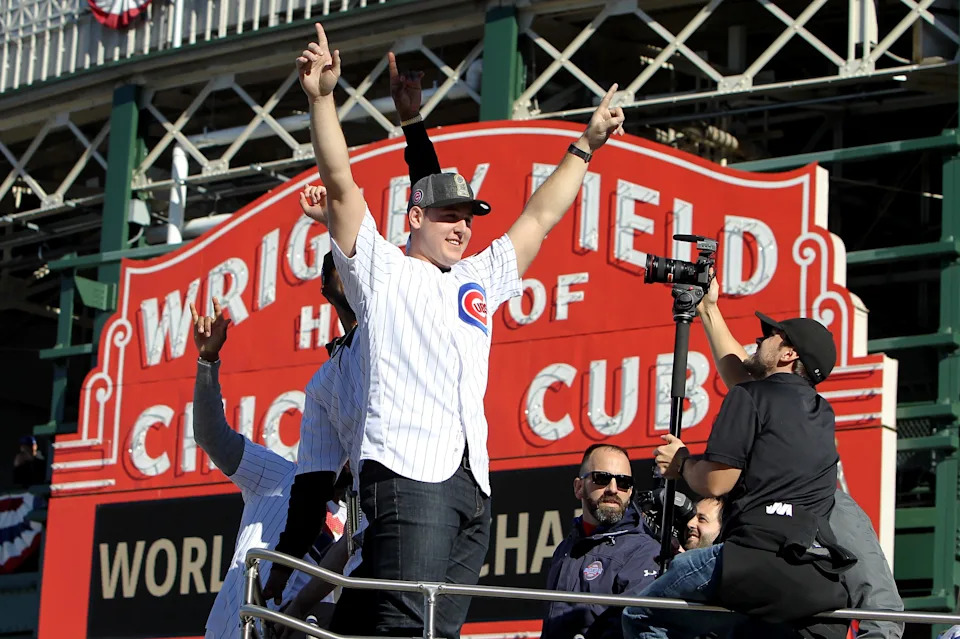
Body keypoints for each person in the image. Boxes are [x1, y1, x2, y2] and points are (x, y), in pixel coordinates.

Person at [296, 22, 625, 638]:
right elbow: (340, 184)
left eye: (469, 217)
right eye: (448, 215)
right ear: (414, 217)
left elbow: (540, 217)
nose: (462, 227)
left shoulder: (477, 276)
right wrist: (321, 100)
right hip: (407, 473)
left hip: (472, 483)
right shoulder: (382, 270)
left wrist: (586, 144)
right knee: (406, 630)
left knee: (438, 632)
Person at [623, 275, 856, 639]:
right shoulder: (821, 412)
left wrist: (681, 464)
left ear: (789, 353)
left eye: (771, 336)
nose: (760, 340)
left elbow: (717, 482)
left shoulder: (750, 397)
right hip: (813, 576)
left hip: (752, 561)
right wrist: (708, 308)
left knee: (640, 615)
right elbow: (746, 377)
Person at [190, 297, 339, 638]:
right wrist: (208, 361)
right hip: (234, 631)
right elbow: (211, 436)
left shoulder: (362, 516)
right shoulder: (279, 475)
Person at [262, 184, 363, 605]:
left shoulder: (390, 337)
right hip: (366, 522)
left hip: (426, 499)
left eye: (354, 264)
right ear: (325, 286)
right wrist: (280, 572)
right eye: (338, 266)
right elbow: (310, 492)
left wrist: (334, 219)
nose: (349, 271)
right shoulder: (325, 379)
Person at [541, 444, 660, 639]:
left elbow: (634, 624)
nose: (613, 489)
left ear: (630, 492)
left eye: (623, 482)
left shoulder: (644, 551)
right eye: (602, 479)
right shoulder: (565, 548)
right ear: (579, 487)